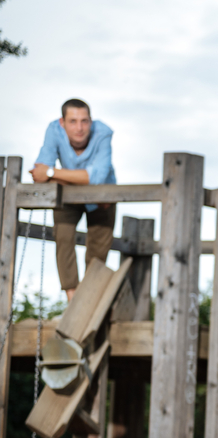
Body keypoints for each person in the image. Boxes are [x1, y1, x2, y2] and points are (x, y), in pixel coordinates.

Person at [30, 99, 117, 302]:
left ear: (91, 121)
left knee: (97, 252)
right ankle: (73, 299)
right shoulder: (53, 130)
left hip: (103, 198)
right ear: (62, 122)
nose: (79, 128)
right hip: (69, 196)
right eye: (73, 121)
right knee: (63, 235)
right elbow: (38, 173)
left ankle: (90, 299)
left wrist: (53, 174)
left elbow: (97, 178)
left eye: (85, 121)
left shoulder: (103, 133)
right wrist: (81, 179)